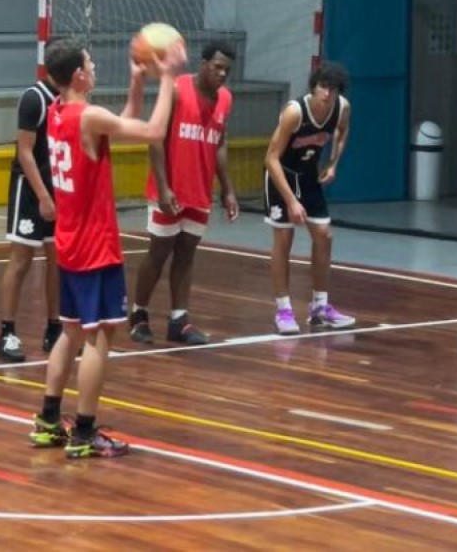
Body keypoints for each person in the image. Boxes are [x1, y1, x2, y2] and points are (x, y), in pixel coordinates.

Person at [28, 37, 183, 459]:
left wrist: (137, 85)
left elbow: (120, 124)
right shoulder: (88, 116)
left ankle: (47, 420)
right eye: (91, 64)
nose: (95, 68)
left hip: (70, 241)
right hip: (95, 245)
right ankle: (84, 433)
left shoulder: (61, 113)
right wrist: (168, 77)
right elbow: (152, 131)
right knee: (100, 337)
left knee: (72, 329)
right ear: (78, 74)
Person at [129, 41, 240, 345]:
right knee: (159, 252)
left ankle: (179, 320)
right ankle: (139, 314)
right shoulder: (176, 89)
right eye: (217, 67)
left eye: (227, 70)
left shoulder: (225, 99)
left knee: (187, 254)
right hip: (169, 190)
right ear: (203, 64)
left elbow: (220, 142)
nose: (222, 74)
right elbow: (154, 139)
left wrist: (228, 189)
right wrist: (163, 187)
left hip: (200, 192)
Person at [263, 60, 356, 334]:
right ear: (313, 87)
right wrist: (291, 200)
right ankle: (283, 310)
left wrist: (333, 162)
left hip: (308, 174)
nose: (327, 94)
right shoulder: (295, 112)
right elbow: (270, 158)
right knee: (284, 238)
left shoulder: (342, 108)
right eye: (323, 87)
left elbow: (342, 132)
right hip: (282, 175)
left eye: (333, 89)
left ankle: (320, 307)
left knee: (324, 235)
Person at [0, 72, 61, 362]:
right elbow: (25, 151)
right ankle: (7, 332)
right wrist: (44, 196)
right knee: (22, 259)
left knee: (57, 258)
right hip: (30, 190)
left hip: (58, 185)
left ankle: (55, 328)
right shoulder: (34, 98)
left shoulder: (71, 100)